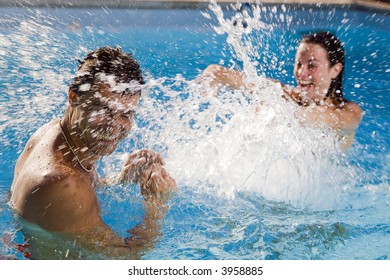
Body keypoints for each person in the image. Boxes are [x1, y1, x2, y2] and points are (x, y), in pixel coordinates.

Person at [10, 46, 177, 259]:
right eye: (103, 110)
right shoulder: (65, 183)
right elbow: (125, 261)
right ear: (73, 97)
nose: (114, 127)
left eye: (125, 115)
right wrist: (157, 208)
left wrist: (121, 179)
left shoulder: (53, 134)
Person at [199, 31, 363, 149]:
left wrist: (280, 111)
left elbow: (327, 119)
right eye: (299, 64)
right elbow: (233, 77)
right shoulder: (287, 95)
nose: (301, 73)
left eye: (312, 66)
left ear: (334, 70)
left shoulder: (349, 112)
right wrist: (213, 74)